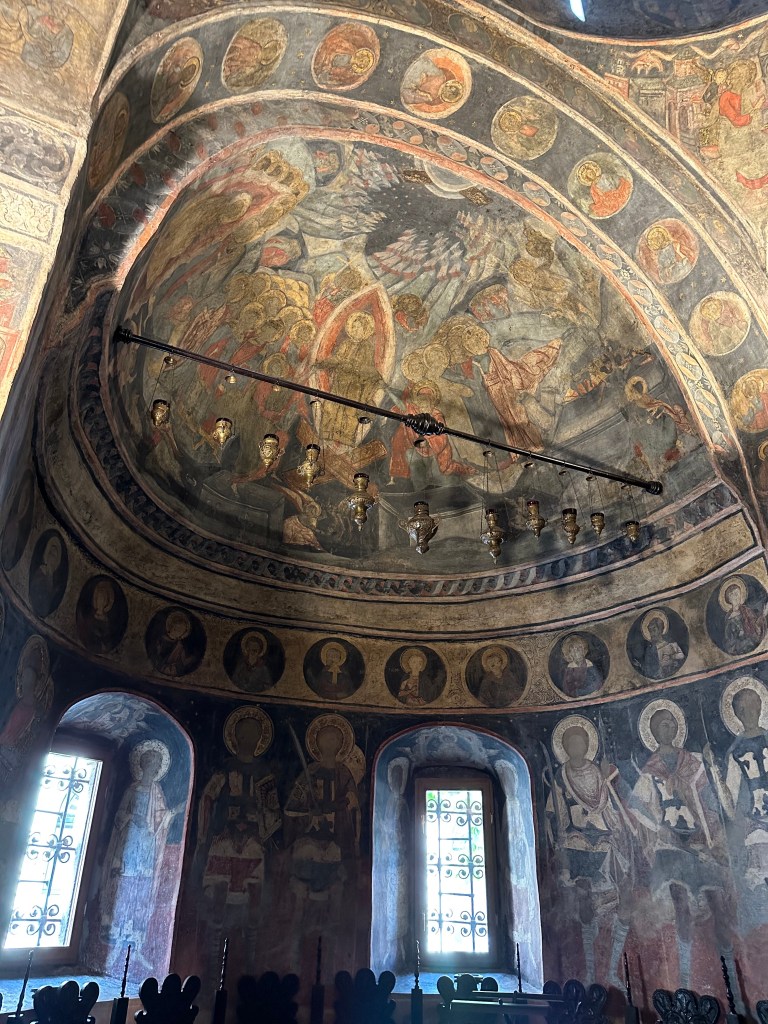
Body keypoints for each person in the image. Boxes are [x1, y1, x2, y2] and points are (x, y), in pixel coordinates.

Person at [631, 704, 734, 986]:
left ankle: (731, 979)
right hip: (670, 845)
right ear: (653, 732)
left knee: (717, 901)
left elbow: (711, 799)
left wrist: (712, 767)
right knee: (681, 906)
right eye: (661, 725)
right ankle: (686, 979)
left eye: (670, 723)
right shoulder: (650, 770)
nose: (668, 728)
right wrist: (659, 828)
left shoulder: (695, 762)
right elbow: (637, 805)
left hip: (699, 840)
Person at [547, 720, 636, 984]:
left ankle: (613, 971)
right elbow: (556, 811)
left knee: (625, 896)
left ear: (587, 745)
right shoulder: (561, 776)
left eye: (580, 742)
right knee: (585, 903)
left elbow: (610, 804)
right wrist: (559, 837)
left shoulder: (599, 772)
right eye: (571, 743)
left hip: (605, 839)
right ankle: (590, 973)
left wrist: (617, 824)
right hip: (576, 841)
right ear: (565, 747)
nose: (576, 747)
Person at [99, 742, 180, 964]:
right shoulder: (132, 789)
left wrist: (171, 814)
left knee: (141, 891)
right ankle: (118, 944)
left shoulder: (157, 791)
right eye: (151, 763)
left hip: (146, 846)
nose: (154, 768)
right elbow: (119, 816)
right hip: (129, 844)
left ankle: (135, 945)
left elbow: (161, 816)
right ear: (143, 765)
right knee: (124, 887)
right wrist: (132, 818)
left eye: (157, 765)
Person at [640, 612, 685, 680]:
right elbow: (651, 670)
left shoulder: (672, 644)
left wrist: (671, 657)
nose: (652, 634)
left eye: (654, 630)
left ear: (660, 629)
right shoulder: (651, 651)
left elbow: (682, 657)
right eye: (650, 631)